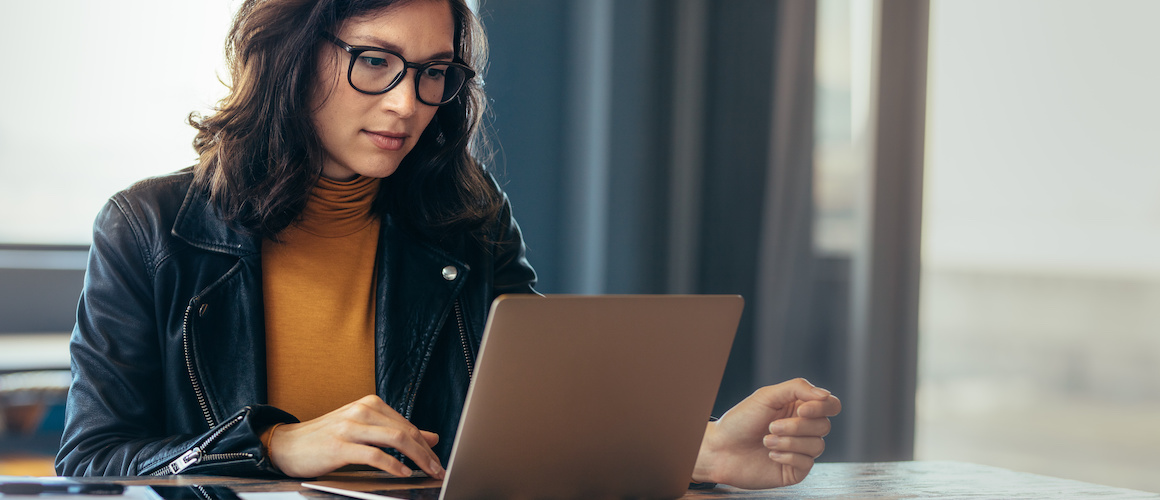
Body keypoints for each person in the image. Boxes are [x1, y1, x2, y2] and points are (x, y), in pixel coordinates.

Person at [55, 0, 841, 490]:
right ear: (290, 53)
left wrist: (697, 451)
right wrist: (275, 445)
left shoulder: (467, 216)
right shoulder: (150, 228)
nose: (408, 103)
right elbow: (91, 462)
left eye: (434, 72)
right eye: (375, 61)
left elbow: (539, 423)